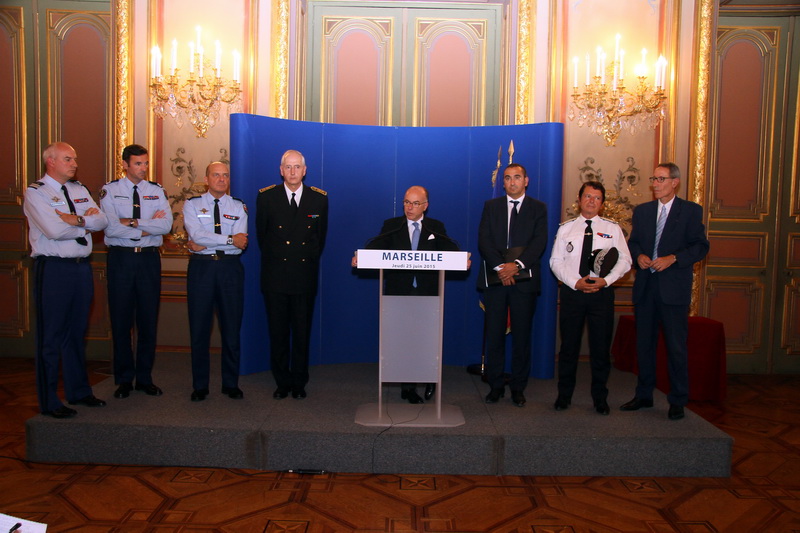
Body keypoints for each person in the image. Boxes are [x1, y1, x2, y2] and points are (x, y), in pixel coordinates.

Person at [23, 142, 108, 418]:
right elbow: (54, 230)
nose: (74, 164)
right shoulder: (37, 193)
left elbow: (102, 221)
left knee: (76, 334)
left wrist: (75, 220)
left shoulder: (79, 189)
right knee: (51, 337)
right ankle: (49, 401)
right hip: (54, 270)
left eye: (75, 159)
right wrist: (83, 222)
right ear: (51, 162)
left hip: (81, 268)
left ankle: (79, 392)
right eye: (68, 159)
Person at [353, 186, 460, 404]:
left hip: (427, 293)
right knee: (403, 340)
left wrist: (461, 259)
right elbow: (376, 247)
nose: (409, 208)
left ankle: (430, 379)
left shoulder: (435, 227)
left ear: (425, 206)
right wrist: (361, 258)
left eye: (415, 203)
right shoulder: (392, 226)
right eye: (406, 202)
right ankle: (408, 388)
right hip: (399, 292)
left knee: (425, 340)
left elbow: (449, 251)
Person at [620, 162, 709, 420]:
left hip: (673, 291)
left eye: (660, 179)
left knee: (675, 347)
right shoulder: (644, 211)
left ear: (674, 182)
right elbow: (633, 243)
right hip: (646, 288)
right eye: (654, 179)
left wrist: (673, 258)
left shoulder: (690, 211)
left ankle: (678, 399)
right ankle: (644, 395)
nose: (655, 184)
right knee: (644, 346)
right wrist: (640, 257)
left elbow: (700, 246)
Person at [549, 181, 632, 415]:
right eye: (588, 196)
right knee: (568, 348)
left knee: (600, 349)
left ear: (602, 203)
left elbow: (625, 260)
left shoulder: (612, 229)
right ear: (579, 199)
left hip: (601, 295)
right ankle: (564, 396)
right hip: (572, 294)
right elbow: (555, 262)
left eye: (597, 198)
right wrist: (575, 282)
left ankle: (600, 398)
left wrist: (607, 280)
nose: (592, 201)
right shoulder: (566, 229)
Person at [99, 144, 172, 399]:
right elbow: (110, 229)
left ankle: (144, 378)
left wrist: (130, 222)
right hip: (121, 260)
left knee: (147, 322)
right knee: (121, 322)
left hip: (149, 261)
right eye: (138, 164)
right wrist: (146, 226)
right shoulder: (110, 190)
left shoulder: (156, 190)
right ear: (125, 165)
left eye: (145, 163)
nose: (143, 168)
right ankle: (123, 379)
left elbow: (165, 225)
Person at [256, 149, 328, 400]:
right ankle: (282, 381)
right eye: (288, 167)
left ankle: (299, 381)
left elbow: (319, 239)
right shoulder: (266, 197)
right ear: (281, 170)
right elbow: (262, 237)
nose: (293, 171)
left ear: (305, 171)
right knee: (277, 332)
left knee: (301, 332)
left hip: (303, 277)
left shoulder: (319, 199)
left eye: (297, 167)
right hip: (275, 277)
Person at [477, 163, 548, 407]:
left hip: (524, 282)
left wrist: (515, 266)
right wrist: (501, 268)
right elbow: (484, 241)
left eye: (517, 177)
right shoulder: (491, 206)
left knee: (521, 337)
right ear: (503, 182)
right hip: (496, 280)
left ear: (526, 181)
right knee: (494, 336)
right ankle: (495, 386)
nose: (512, 182)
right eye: (507, 178)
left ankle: (518, 388)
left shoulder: (538, 208)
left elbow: (539, 243)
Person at [183, 162, 248, 401]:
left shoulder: (239, 206)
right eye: (216, 175)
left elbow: (243, 242)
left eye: (225, 175)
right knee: (199, 328)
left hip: (230, 269)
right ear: (206, 178)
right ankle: (200, 385)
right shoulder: (192, 205)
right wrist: (230, 239)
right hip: (202, 269)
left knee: (231, 328)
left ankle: (231, 384)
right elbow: (196, 236)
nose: (221, 179)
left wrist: (208, 241)